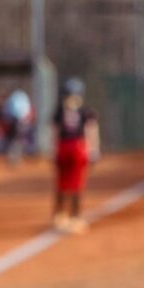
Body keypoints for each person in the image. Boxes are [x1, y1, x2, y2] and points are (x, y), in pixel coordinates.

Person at [48, 79, 99, 233]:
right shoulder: (85, 111)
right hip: (77, 147)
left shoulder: (59, 111)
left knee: (63, 182)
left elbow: (54, 132)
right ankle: (74, 216)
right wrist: (94, 150)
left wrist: (53, 150)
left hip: (64, 147)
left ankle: (60, 215)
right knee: (75, 184)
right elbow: (91, 130)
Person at [2, 84, 34, 169]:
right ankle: (16, 158)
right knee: (19, 140)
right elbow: (28, 111)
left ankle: (13, 158)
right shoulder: (24, 97)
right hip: (23, 121)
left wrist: (8, 120)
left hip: (14, 121)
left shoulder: (12, 97)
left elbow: (7, 111)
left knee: (14, 140)